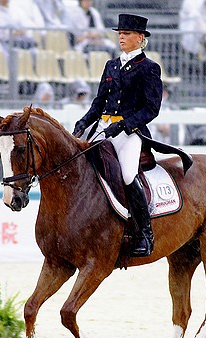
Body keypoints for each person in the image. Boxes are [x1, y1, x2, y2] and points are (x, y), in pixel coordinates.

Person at [72, 14, 162, 257]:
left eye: (127, 34)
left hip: (129, 133)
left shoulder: (149, 68)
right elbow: (99, 101)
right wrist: (84, 121)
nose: (121, 37)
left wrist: (124, 125)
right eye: (120, 33)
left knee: (128, 174)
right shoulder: (111, 65)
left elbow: (151, 109)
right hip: (104, 128)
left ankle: (145, 233)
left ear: (140, 38)